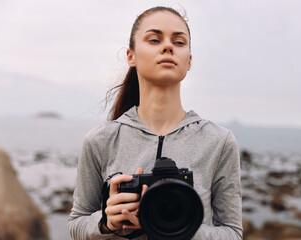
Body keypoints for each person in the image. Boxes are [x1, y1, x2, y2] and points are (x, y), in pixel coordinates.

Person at [68, 6, 243, 240]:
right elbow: (76, 224)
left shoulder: (219, 141)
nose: (168, 46)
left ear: (188, 61)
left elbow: (233, 233)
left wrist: (182, 228)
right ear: (131, 56)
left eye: (179, 42)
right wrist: (106, 222)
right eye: (154, 39)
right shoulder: (100, 140)